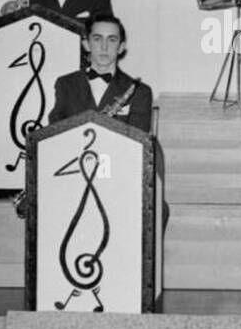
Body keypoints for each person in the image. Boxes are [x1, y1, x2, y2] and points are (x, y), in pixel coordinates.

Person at [48, 13, 168, 230]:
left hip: (118, 179)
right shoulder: (65, 84)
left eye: (112, 40)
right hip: (73, 176)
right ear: (86, 43)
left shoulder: (139, 91)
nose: (104, 47)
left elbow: (136, 142)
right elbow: (55, 131)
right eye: (97, 39)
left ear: (121, 47)